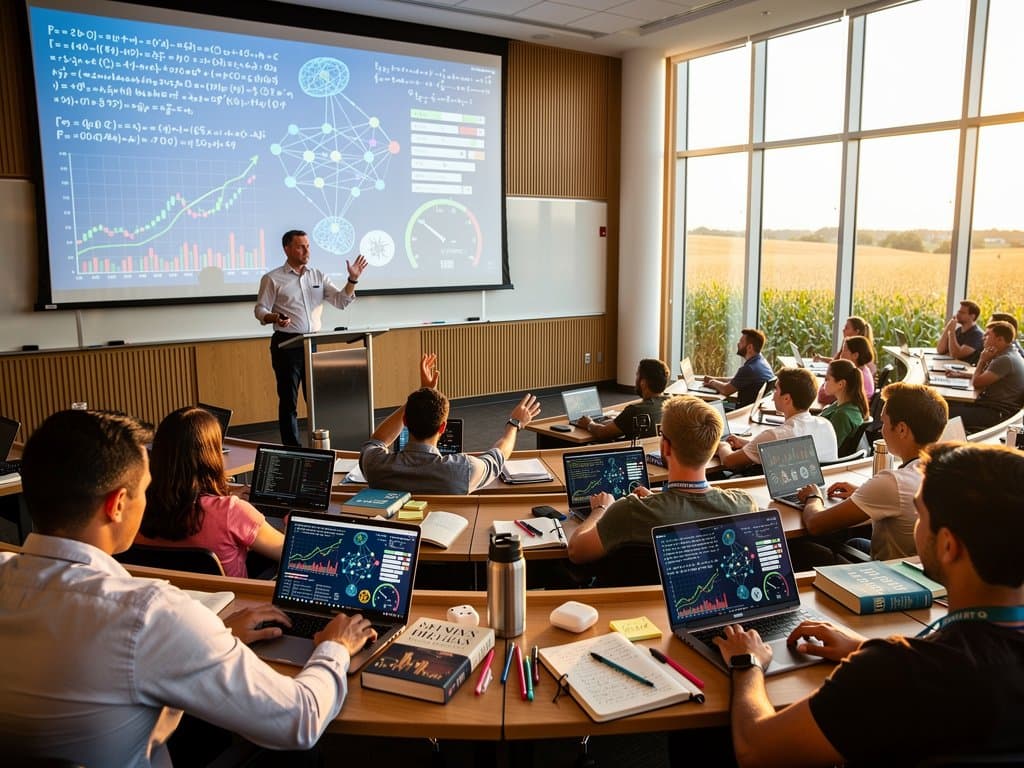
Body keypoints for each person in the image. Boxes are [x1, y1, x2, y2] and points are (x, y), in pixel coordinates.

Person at [0, 409, 377, 766]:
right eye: (144, 489)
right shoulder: (151, 615)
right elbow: (300, 719)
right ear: (116, 505)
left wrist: (217, 636)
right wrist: (334, 647)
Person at [712, 442, 1024, 767]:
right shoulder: (914, 666)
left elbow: (754, 749)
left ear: (948, 545)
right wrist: (864, 647)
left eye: (920, 515)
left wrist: (745, 662)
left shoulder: (896, 673)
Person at [568, 395, 757, 564]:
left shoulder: (631, 511)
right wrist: (658, 499)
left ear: (665, 447)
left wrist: (600, 510)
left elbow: (576, 551)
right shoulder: (743, 505)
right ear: (713, 448)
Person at [797, 382, 948, 560]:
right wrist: (863, 495)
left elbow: (815, 524)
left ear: (901, 429)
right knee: (855, 543)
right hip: (919, 567)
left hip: (890, 579)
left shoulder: (893, 483)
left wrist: (813, 497)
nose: (880, 430)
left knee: (803, 549)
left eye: (884, 422)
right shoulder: (944, 471)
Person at [359, 353, 541, 494]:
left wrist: (423, 394)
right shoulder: (464, 469)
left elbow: (376, 441)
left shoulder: (375, 465)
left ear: (405, 421)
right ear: (443, 427)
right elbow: (498, 456)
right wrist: (514, 423)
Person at [135, 406, 284, 578]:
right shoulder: (231, 512)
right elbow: (291, 555)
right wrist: (291, 521)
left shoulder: (136, 508)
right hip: (233, 603)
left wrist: (220, 499)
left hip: (165, 601)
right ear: (212, 454)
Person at [254, 229, 369, 446]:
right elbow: (260, 310)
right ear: (287, 249)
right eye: (300, 246)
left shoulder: (317, 275)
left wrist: (352, 279)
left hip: (310, 344)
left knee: (316, 400)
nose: (307, 250)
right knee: (289, 401)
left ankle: (320, 445)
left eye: (308, 245)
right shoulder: (272, 278)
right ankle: (293, 448)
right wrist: (274, 317)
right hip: (286, 344)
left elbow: (341, 301)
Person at [716, 367, 838, 471]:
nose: (773, 397)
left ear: (786, 398)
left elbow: (729, 461)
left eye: (776, 389)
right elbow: (785, 450)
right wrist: (747, 444)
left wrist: (722, 446)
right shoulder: (826, 425)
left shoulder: (776, 436)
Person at [948, 320, 1024, 432]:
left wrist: (982, 361)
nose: (984, 338)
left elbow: (976, 383)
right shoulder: (1010, 354)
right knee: (949, 403)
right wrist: (962, 375)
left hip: (994, 413)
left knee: (942, 411)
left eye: (988, 335)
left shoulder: (1005, 360)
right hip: (994, 408)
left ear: (1000, 339)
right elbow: (987, 376)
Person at [576, 358, 671, 440]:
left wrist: (589, 423)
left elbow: (603, 433)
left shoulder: (635, 410)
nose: (636, 379)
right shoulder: (671, 404)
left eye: (637, 375)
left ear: (643, 383)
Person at [702, 328, 774, 407]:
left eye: (741, 342)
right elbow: (737, 379)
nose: (738, 344)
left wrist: (713, 382)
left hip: (741, 412)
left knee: (704, 406)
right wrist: (714, 379)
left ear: (750, 347)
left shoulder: (749, 368)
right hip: (751, 410)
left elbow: (726, 390)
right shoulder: (762, 362)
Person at [817, 359, 868, 451]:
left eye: (827, 379)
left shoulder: (841, 416)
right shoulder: (846, 405)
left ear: (841, 384)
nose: (824, 383)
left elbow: (828, 449)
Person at [816, 335, 874, 406]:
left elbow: (823, 396)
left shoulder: (852, 376)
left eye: (844, 350)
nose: (841, 354)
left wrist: (828, 379)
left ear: (855, 355)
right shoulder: (863, 370)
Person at [936, 299, 984, 365]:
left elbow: (956, 354)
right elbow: (940, 350)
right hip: (953, 367)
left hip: (966, 371)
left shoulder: (977, 335)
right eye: (958, 311)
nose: (958, 314)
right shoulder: (959, 330)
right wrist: (948, 327)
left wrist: (952, 332)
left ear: (972, 316)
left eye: (962, 313)